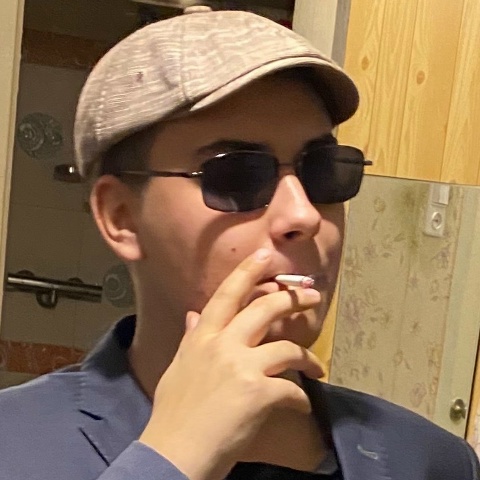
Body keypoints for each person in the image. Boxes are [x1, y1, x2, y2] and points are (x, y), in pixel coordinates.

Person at [0, 6, 478, 480]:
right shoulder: (12, 445)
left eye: (323, 171)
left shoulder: (431, 461)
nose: (303, 215)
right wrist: (171, 459)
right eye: (236, 176)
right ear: (121, 217)